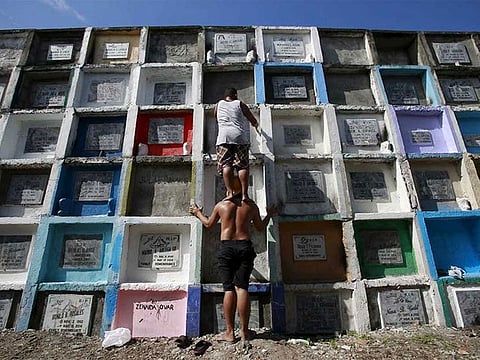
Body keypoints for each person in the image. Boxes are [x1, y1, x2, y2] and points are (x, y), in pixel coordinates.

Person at [189, 177, 276, 343]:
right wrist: (270, 214)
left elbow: (208, 224)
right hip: (244, 247)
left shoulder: (221, 206)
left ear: (228, 189)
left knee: (229, 289)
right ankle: (244, 331)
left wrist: (197, 212)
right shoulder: (250, 206)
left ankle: (229, 332)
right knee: (242, 288)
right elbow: (259, 227)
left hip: (227, 248)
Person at [214, 87, 259, 201]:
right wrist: (256, 125)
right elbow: (252, 119)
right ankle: (244, 194)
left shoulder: (218, 104)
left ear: (225, 96)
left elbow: (216, 116)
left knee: (226, 165)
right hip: (240, 138)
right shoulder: (240, 104)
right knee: (242, 166)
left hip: (223, 137)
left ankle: (230, 192)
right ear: (235, 95)